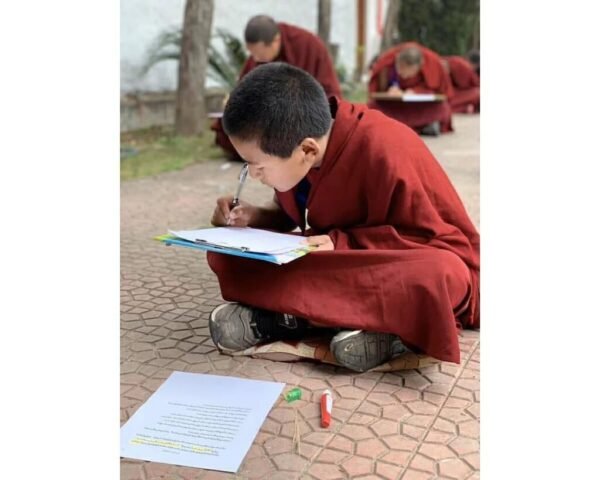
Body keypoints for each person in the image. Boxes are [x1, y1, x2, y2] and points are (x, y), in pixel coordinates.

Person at [207, 63, 480, 373]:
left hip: (399, 262)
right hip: (341, 262)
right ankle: (367, 326)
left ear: (307, 150)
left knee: (437, 276)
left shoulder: (386, 148)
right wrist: (255, 217)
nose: (254, 176)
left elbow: (439, 242)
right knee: (227, 254)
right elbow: (291, 212)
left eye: (257, 166)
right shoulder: (302, 149)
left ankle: (282, 320)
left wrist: (343, 242)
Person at [211, 15, 341, 160]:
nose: (255, 58)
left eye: (258, 52)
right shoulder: (257, 59)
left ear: (275, 41)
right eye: (251, 53)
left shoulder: (308, 46)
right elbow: (245, 91)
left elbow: (329, 93)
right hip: (268, 118)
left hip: (301, 116)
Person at [368, 42, 454, 136]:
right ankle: (425, 125)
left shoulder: (432, 63)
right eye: (400, 69)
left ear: (418, 68)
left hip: (420, 106)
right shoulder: (388, 61)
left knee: (443, 108)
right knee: (373, 106)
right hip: (394, 104)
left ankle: (394, 124)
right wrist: (390, 91)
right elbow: (376, 89)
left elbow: (443, 93)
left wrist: (415, 92)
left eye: (407, 72)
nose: (402, 74)